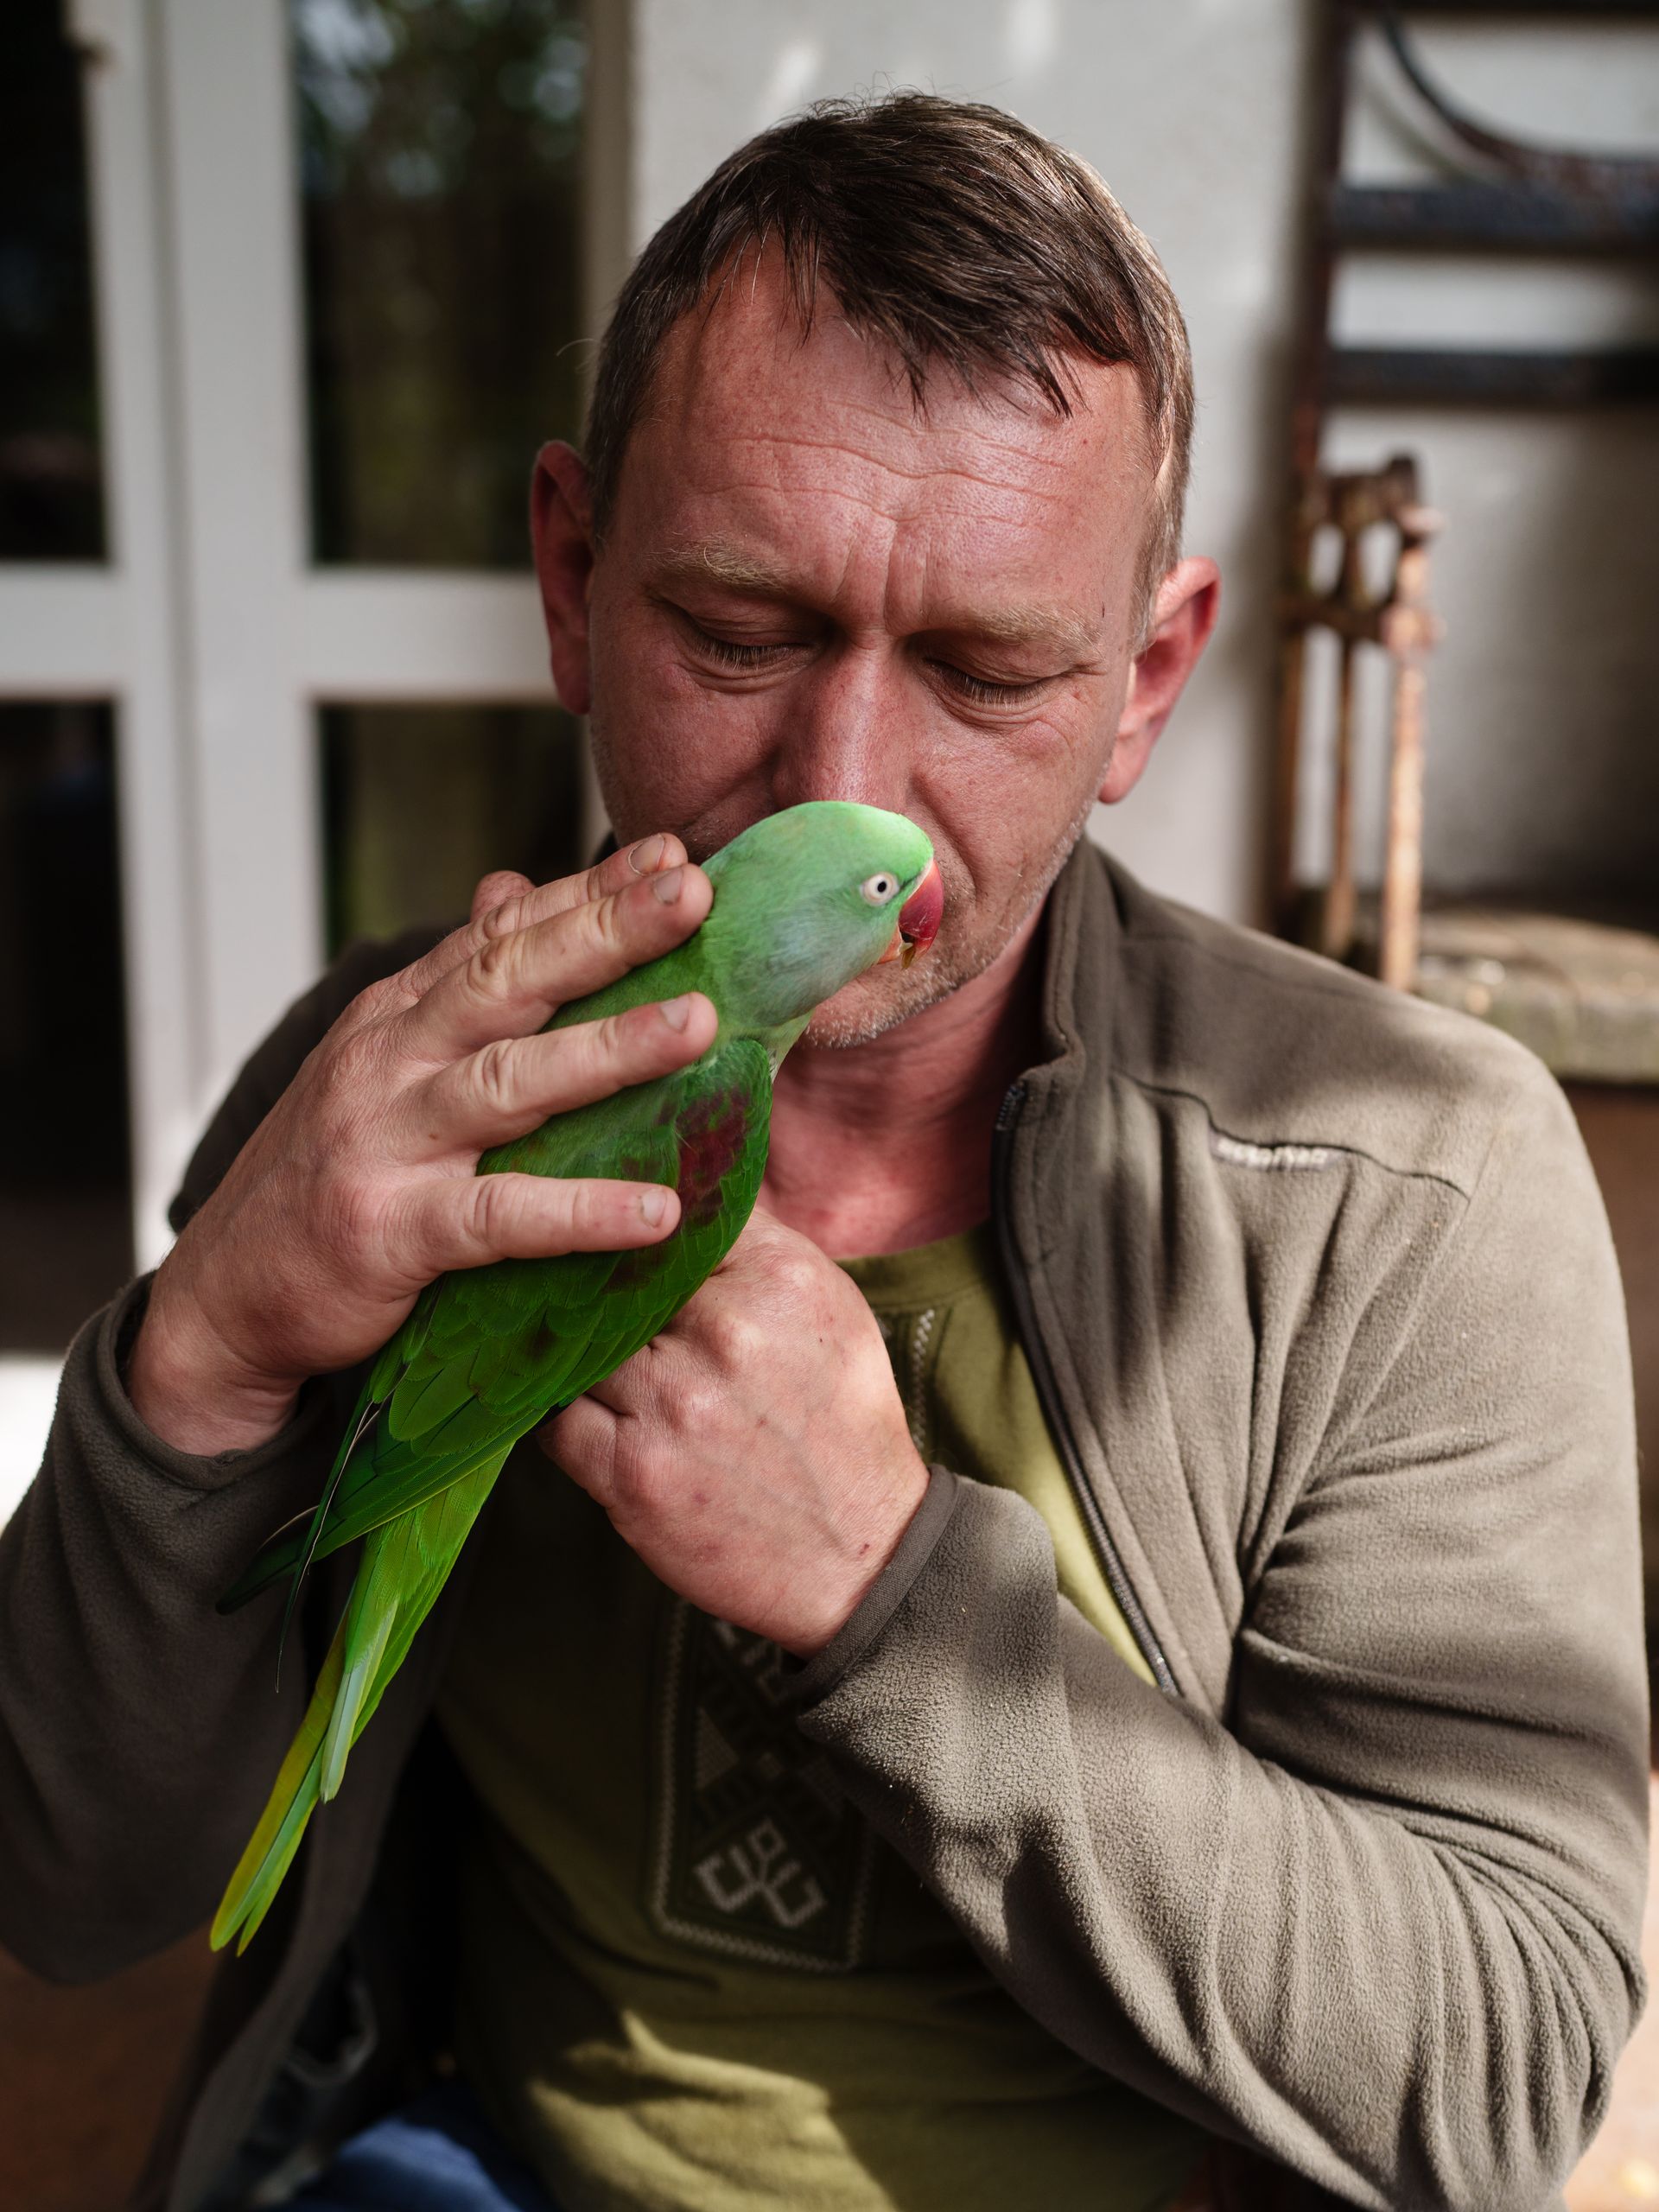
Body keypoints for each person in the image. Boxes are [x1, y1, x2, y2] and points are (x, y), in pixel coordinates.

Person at [0, 93, 1645, 2212]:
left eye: (987, 668)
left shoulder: (1403, 1183)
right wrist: (198, 1354)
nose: (837, 783)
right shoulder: (373, 1098)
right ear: (573, 577)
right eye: (740, 632)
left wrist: (897, 1598)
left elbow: (1500, 2079)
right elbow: (66, 1884)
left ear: (1144, 681)